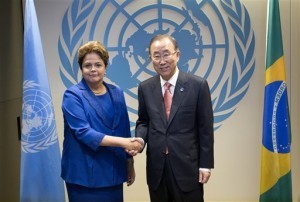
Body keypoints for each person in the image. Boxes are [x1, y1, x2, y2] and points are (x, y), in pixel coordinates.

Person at [135, 34, 214, 202]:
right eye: (156, 56)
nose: (162, 61)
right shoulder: (145, 88)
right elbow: (144, 121)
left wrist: (205, 164)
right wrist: (140, 140)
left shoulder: (198, 85)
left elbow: (205, 129)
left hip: (187, 167)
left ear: (177, 55)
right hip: (157, 169)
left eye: (166, 54)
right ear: (151, 59)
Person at [61, 41, 142, 202]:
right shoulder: (72, 95)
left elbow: (123, 128)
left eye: (98, 65)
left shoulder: (117, 92)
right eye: (87, 65)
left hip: (113, 172)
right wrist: (126, 143)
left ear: (105, 67)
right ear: (81, 68)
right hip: (83, 177)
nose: (93, 70)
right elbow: (84, 133)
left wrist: (129, 162)